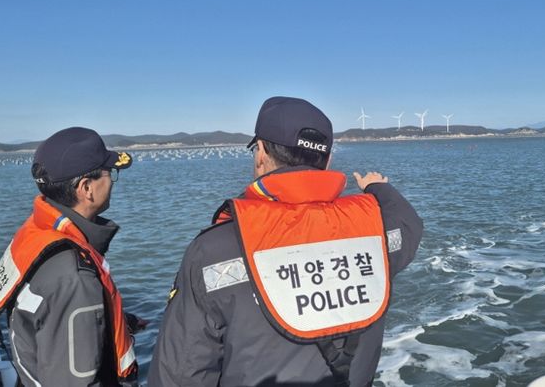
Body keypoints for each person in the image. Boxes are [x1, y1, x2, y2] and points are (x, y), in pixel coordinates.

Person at [149, 96, 423, 386]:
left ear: (260, 153)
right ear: (328, 160)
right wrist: (378, 187)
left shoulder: (214, 250)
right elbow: (408, 223)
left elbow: (180, 374)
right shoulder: (375, 232)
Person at [0, 127, 145, 387]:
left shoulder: (36, 233)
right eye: (110, 174)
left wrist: (114, 322)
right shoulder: (75, 277)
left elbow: (48, 316)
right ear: (86, 188)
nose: (112, 182)